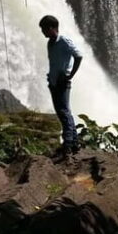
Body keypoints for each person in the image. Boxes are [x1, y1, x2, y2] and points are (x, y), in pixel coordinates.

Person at [39, 15, 83, 155]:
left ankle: (68, 144)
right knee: (62, 111)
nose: (42, 32)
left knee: (64, 112)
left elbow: (78, 56)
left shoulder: (64, 41)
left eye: (44, 29)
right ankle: (74, 142)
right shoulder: (50, 43)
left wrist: (70, 75)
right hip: (53, 82)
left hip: (62, 82)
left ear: (52, 28)